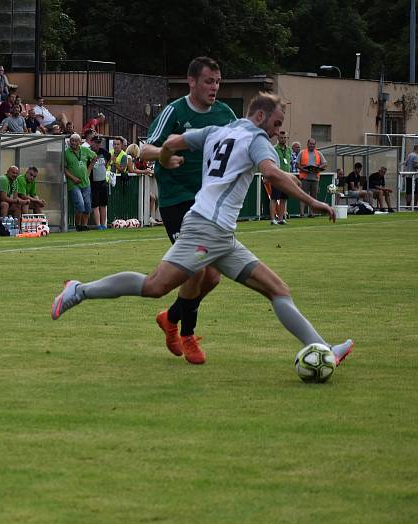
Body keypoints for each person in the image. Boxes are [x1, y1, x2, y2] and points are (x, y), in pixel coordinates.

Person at [51, 92, 354, 370]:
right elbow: (271, 172)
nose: (277, 131)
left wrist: (167, 161)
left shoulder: (217, 131)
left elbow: (169, 144)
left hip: (221, 236)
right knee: (155, 286)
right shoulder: (257, 138)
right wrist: (314, 202)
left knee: (278, 290)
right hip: (206, 228)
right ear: (260, 117)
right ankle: (79, 290)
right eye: (276, 124)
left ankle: (323, 348)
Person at [141, 56, 237, 362]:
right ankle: (187, 335)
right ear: (191, 81)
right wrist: (164, 156)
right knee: (196, 266)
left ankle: (170, 317)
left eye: (218, 82)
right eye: (209, 81)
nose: (214, 88)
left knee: (212, 278)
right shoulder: (175, 110)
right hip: (177, 201)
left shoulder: (225, 114)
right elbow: (144, 149)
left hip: (209, 204)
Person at [65, 133, 95, 231]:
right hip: (73, 183)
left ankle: (84, 225)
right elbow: (63, 168)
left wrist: (89, 169)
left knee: (87, 205)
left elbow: (94, 157)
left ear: (80, 142)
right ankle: (77, 225)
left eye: (75, 141)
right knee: (80, 204)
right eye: (72, 140)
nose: (73, 142)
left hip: (85, 182)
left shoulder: (85, 150)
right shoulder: (66, 152)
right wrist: (72, 178)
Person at [126, 143, 161, 225]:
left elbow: (134, 169)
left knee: (153, 197)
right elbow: (132, 170)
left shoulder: (132, 158)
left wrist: (145, 171)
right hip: (131, 183)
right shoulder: (129, 157)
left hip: (134, 183)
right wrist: (145, 171)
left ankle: (149, 217)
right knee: (152, 197)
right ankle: (148, 217)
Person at [296, 138, 326, 217]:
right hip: (304, 178)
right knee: (303, 196)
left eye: (313, 144)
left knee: (314, 197)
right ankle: (302, 213)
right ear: (307, 144)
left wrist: (318, 168)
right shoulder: (302, 152)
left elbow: (325, 163)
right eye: (311, 144)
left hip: (315, 178)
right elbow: (297, 164)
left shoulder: (319, 153)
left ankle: (311, 213)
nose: (312, 145)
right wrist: (303, 170)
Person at [88, 136, 111, 229]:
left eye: (99, 142)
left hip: (102, 181)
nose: (97, 144)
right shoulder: (88, 151)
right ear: (91, 142)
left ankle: (103, 224)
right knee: (95, 204)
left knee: (103, 204)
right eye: (96, 142)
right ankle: (98, 225)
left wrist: (105, 165)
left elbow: (109, 158)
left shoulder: (103, 152)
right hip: (93, 182)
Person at [270, 130, 291, 225]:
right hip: (277, 176)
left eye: (285, 137)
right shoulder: (274, 148)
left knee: (284, 198)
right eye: (281, 138)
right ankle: (273, 219)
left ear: (287, 138)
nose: (283, 139)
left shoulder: (289, 150)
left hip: (287, 177)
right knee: (274, 198)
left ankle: (281, 218)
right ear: (278, 138)